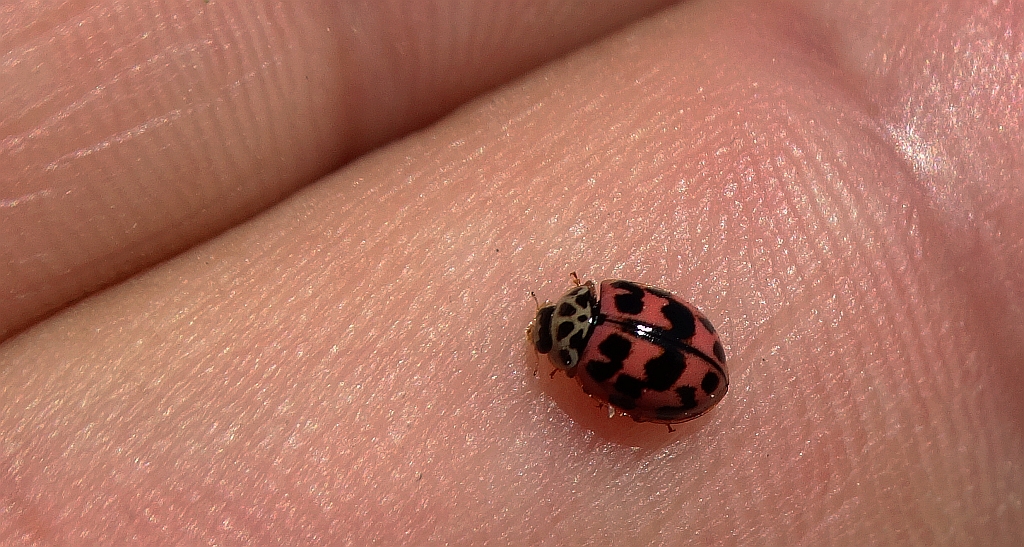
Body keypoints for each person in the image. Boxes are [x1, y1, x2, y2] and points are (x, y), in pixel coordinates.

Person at [1, 2, 1020, 544]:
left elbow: (649, 350)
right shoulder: (605, 328)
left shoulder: (602, 339)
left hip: (693, 379)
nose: (568, 321)